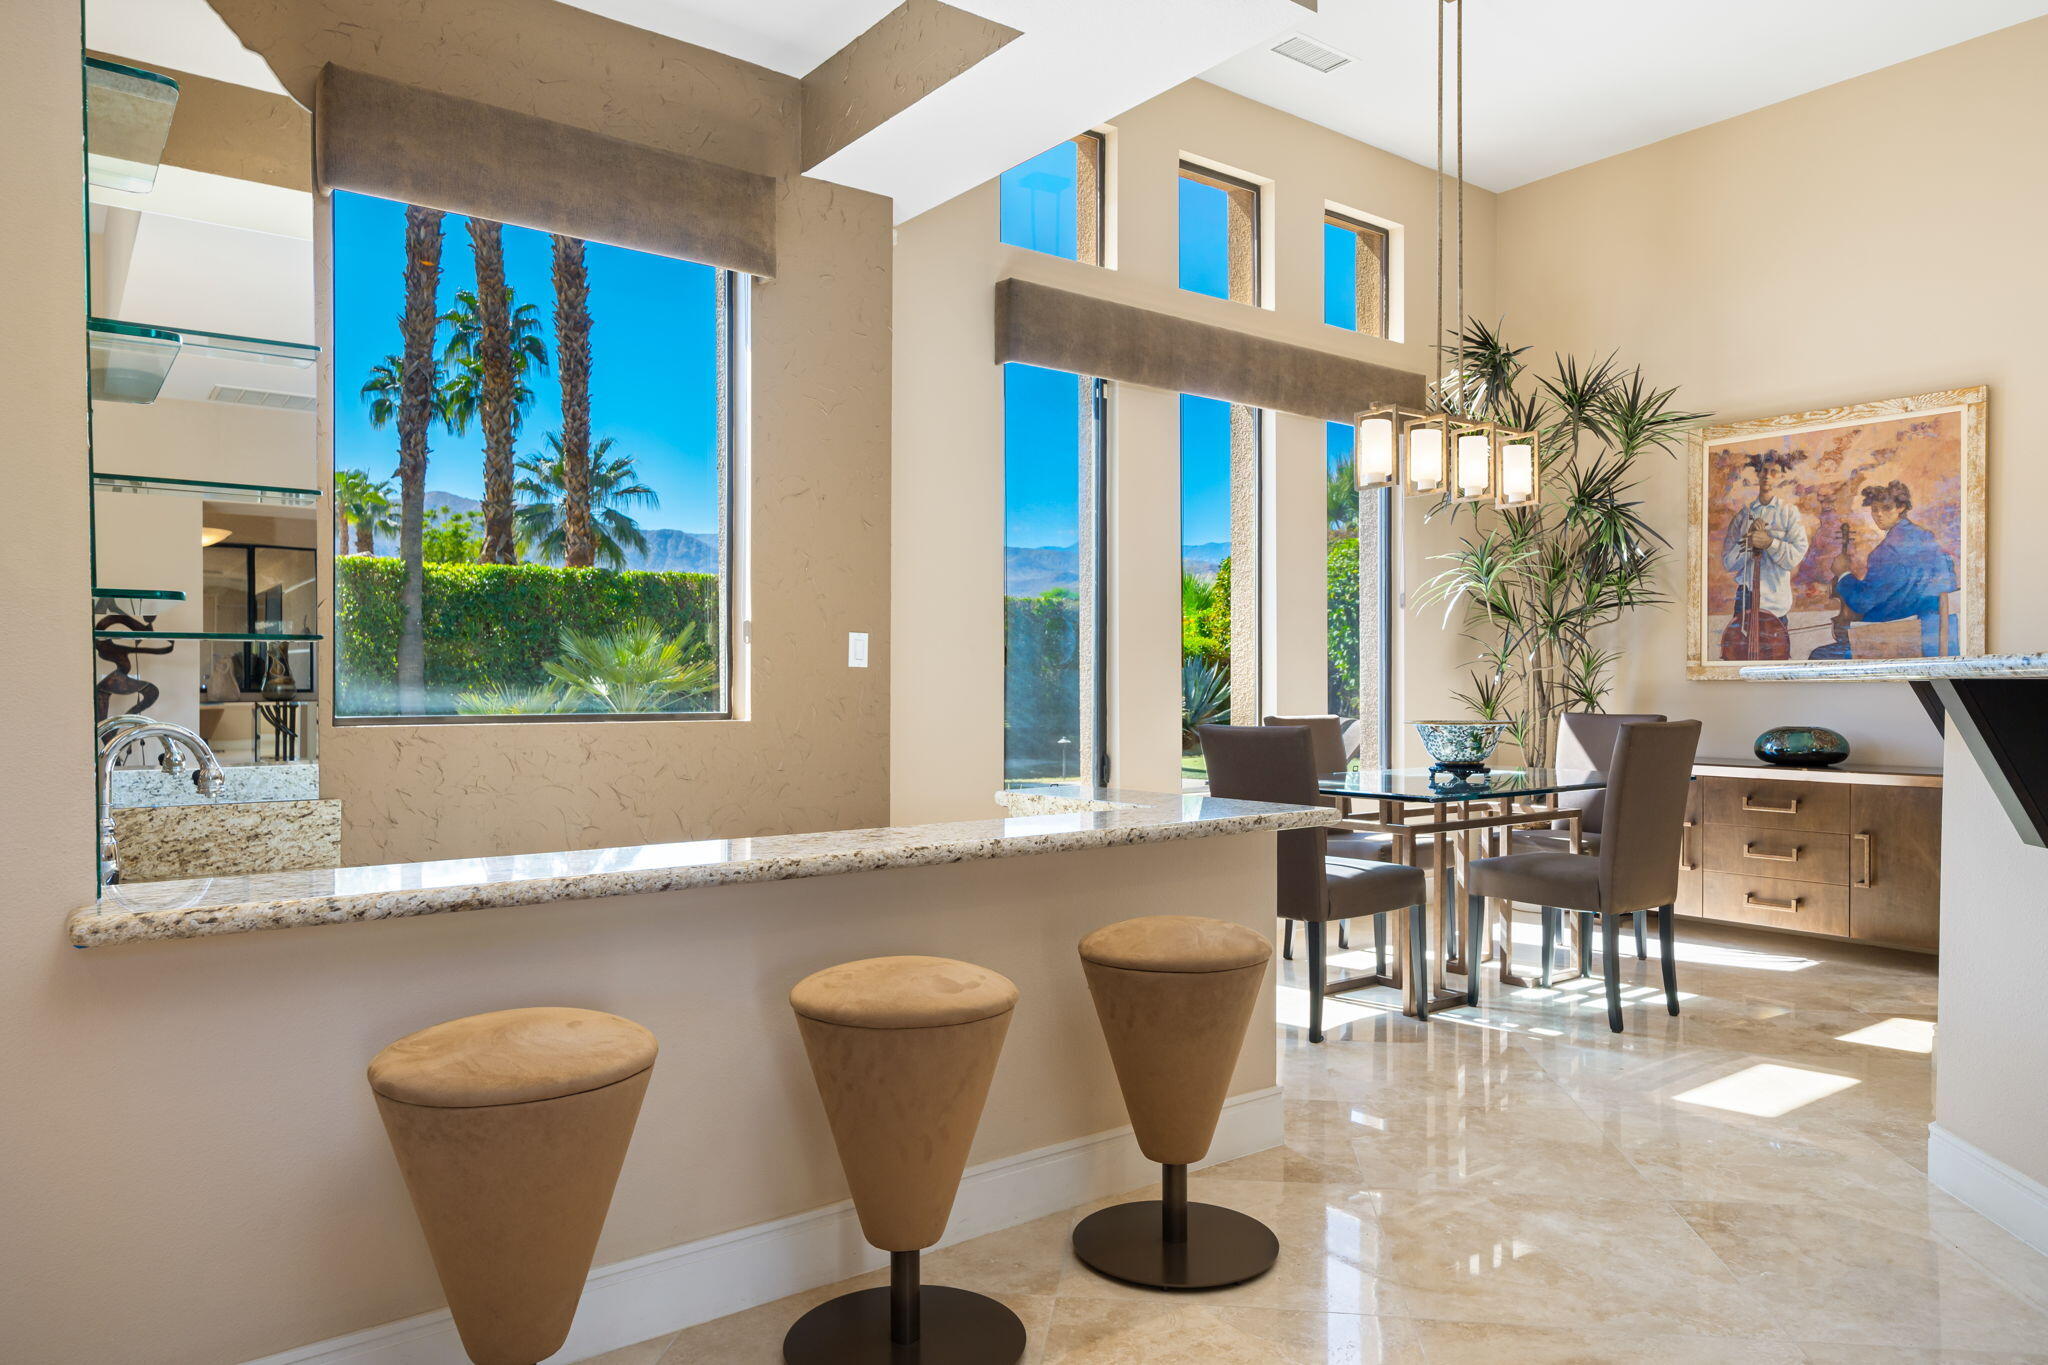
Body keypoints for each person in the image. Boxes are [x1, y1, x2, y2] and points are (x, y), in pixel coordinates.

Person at [1823, 479, 1958, 657]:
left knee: (1820, 656)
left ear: (1901, 507)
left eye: (1886, 508)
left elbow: (1862, 602)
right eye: (1874, 509)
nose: (1878, 515)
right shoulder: (1928, 538)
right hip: (1942, 640)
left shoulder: (1887, 552)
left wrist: (1844, 574)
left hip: (1903, 642)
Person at [1719, 450, 1809, 656]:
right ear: (1757, 475)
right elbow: (1728, 563)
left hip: (1775, 599)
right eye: (1763, 471)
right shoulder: (1744, 515)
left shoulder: (1789, 513)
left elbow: (1795, 556)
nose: (1767, 476)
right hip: (1746, 598)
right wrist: (1749, 544)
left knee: (1774, 656)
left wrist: (1770, 542)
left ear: (1782, 477)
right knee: (1739, 654)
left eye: (1774, 472)